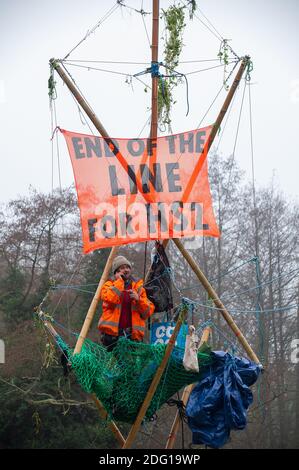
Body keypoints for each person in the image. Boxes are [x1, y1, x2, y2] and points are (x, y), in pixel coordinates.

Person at [98, 255, 155, 351]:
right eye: (122, 268)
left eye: (128, 267)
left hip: (133, 336)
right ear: (116, 272)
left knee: (130, 364)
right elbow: (111, 299)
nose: (126, 270)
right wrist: (120, 282)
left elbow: (148, 313)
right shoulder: (108, 285)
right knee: (114, 364)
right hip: (111, 337)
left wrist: (138, 300)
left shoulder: (138, 287)